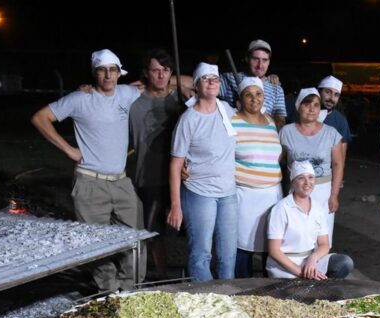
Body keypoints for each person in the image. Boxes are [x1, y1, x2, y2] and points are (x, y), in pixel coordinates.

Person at [31, 49, 142, 292]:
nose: (108, 76)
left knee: (132, 239)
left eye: (113, 70)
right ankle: (108, 292)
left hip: (121, 181)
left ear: (119, 73)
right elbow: (40, 118)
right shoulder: (79, 99)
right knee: (98, 242)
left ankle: (130, 289)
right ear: (94, 73)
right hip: (90, 182)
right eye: (102, 70)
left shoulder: (127, 93)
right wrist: (69, 150)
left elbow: (165, 83)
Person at [167, 63, 238, 281]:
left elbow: (254, 103)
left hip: (228, 193)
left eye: (214, 79)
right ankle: (204, 300)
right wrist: (176, 206)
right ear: (196, 85)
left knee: (228, 254)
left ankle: (228, 299)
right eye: (205, 79)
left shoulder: (226, 109)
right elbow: (175, 165)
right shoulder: (189, 119)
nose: (211, 82)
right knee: (201, 254)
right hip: (200, 193)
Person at [128, 49, 187, 280]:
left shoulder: (180, 100)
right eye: (155, 71)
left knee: (185, 229)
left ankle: (187, 272)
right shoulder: (134, 102)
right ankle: (162, 276)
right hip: (149, 175)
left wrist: (174, 80)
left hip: (181, 177)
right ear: (146, 73)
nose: (161, 76)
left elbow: (194, 80)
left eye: (166, 71)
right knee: (153, 231)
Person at [266, 160, 354, 279]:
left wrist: (313, 259)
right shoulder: (281, 209)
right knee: (301, 291)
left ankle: (316, 287)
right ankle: (313, 286)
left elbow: (324, 244)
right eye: (301, 178)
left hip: (308, 262)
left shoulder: (317, 208)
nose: (307, 182)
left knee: (344, 263)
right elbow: (274, 251)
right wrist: (302, 273)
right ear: (293, 182)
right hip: (285, 266)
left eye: (311, 177)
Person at [231, 77, 283, 277]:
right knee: (242, 247)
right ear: (240, 98)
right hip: (244, 195)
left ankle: (266, 290)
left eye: (258, 94)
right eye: (248, 94)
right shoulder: (232, 120)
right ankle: (242, 289)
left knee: (269, 246)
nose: (254, 99)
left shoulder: (270, 121)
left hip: (271, 195)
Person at [279, 88, 344, 246]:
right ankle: (297, 269)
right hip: (297, 191)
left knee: (322, 236)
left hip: (323, 191)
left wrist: (334, 195)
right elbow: (278, 161)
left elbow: (338, 164)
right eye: (307, 104)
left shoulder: (331, 133)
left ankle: (320, 269)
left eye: (316, 104)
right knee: (298, 235)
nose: (312, 108)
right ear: (298, 106)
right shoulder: (286, 132)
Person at [219, 39, 287, 128]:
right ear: (247, 58)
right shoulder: (229, 78)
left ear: (269, 62)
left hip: (262, 137)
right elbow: (203, 90)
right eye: (256, 59)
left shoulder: (276, 88)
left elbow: (281, 122)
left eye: (265, 60)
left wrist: (260, 115)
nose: (260, 65)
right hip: (234, 136)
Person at [316, 75, 353, 161]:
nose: (332, 98)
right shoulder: (305, 115)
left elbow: (341, 158)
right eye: (328, 92)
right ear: (319, 92)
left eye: (336, 95)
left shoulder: (341, 121)